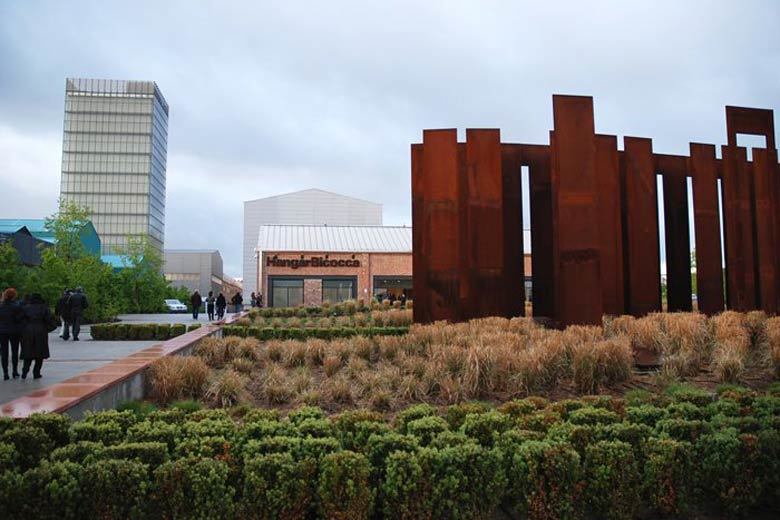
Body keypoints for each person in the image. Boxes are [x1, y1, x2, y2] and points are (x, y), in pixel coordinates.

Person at [20, 293, 54, 379]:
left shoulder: (25, 308)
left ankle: (25, 370)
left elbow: (20, 319)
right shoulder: (44, 308)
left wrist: (24, 328)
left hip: (28, 330)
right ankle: (36, 372)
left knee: (28, 351)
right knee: (40, 352)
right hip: (41, 330)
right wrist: (47, 329)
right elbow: (49, 320)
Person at [0, 288, 23, 380]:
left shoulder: (1, 306)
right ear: (14, 296)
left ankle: (5, 372)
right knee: (14, 351)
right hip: (14, 331)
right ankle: (14, 371)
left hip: (2, 331)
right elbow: (19, 319)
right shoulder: (16, 306)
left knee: (4, 352)